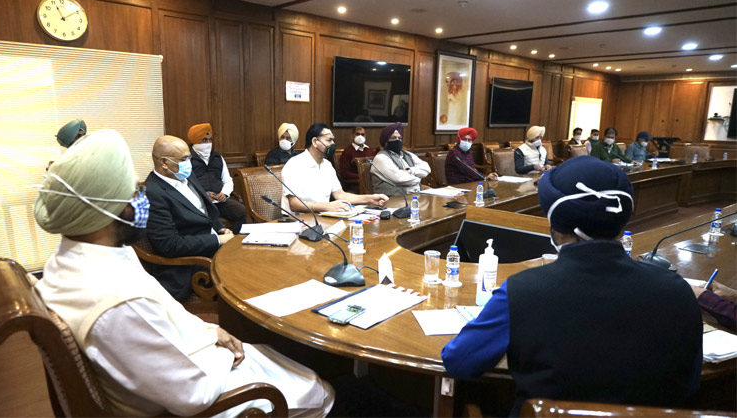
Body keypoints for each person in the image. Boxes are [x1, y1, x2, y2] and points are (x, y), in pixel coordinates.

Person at [33, 129, 334, 417]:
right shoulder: (117, 302)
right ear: (103, 210)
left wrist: (209, 331)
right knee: (318, 389)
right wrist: (222, 353)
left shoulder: (77, 258)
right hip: (201, 391)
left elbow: (162, 312)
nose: (141, 194)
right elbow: (193, 395)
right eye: (132, 190)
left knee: (275, 354)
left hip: (189, 354)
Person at [441, 156, 702, 414]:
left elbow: (459, 362)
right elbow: (688, 384)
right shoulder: (677, 291)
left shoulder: (522, 291)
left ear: (556, 225)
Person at [144, 135, 234, 300]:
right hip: (191, 264)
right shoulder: (153, 193)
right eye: (184, 159)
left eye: (189, 158)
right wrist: (217, 240)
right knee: (242, 275)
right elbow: (170, 245)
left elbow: (206, 211)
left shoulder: (185, 175)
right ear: (164, 162)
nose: (189, 164)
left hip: (213, 248)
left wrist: (220, 228)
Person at [281, 123, 388, 213]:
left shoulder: (327, 165)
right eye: (329, 140)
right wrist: (328, 206)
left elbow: (340, 195)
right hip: (297, 221)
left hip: (322, 217)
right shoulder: (294, 164)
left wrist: (370, 199)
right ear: (314, 142)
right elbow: (294, 204)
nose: (333, 144)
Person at [187, 123, 246, 233]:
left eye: (210, 140)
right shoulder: (187, 159)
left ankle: (234, 240)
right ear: (195, 140)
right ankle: (217, 241)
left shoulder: (217, 157)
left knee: (242, 212)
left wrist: (224, 193)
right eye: (204, 140)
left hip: (219, 200)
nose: (208, 143)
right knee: (210, 220)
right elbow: (185, 184)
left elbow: (227, 179)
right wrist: (203, 195)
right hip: (200, 202)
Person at [371, 122, 431, 196]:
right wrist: (418, 178)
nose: (397, 140)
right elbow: (399, 178)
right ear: (386, 141)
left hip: (415, 194)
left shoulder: (408, 154)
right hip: (394, 198)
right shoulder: (381, 158)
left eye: (399, 138)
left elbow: (426, 168)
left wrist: (410, 171)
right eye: (393, 138)